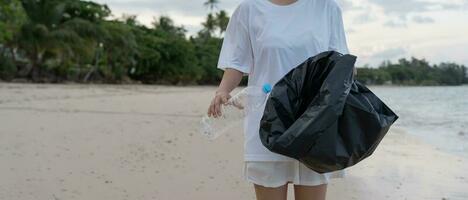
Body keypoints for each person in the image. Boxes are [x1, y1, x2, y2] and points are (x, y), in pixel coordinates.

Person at [207, 0, 353, 199]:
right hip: (266, 126)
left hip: (314, 126)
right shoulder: (249, 9)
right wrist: (222, 90)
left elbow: (342, 64)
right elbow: (236, 61)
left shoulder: (327, 7)